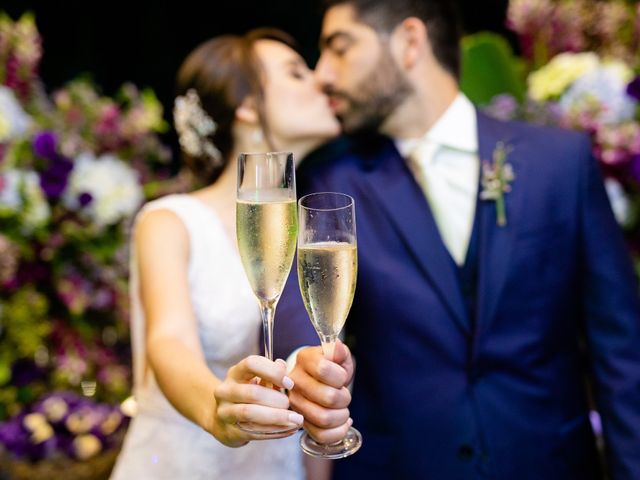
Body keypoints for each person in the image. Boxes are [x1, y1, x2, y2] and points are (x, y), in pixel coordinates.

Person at [274, 1, 640, 479]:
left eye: (340, 49)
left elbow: (622, 356)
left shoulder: (560, 164)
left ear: (410, 41)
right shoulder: (332, 183)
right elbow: (305, 321)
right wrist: (306, 370)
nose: (323, 74)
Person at [110, 28, 340, 480]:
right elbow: (168, 341)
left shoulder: (318, 237)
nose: (321, 81)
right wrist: (216, 411)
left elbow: (314, 394)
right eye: (297, 73)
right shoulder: (170, 221)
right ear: (248, 106)